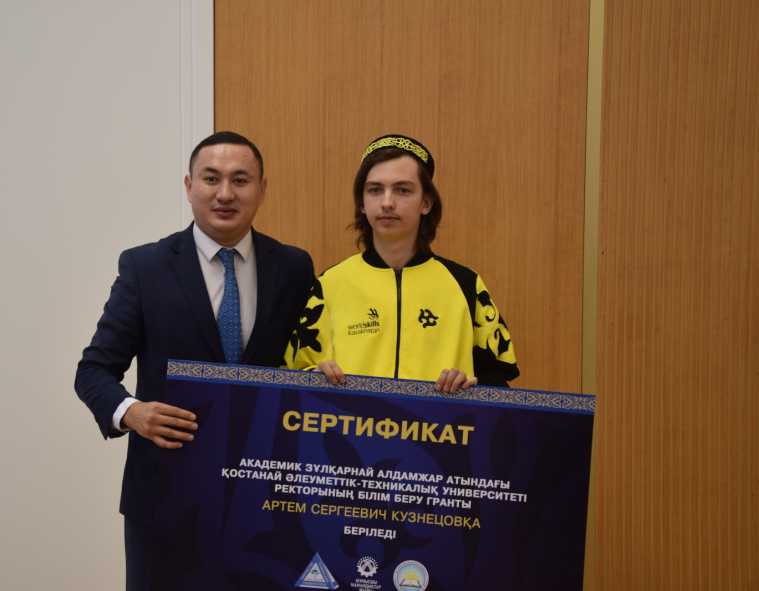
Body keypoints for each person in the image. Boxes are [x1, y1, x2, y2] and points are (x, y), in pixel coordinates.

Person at [74, 131, 313, 589]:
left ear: (262, 189)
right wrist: (132, 412)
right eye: (211, 178)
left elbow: (306, 363)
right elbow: (93, 370)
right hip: (166, 497)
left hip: (266, 499)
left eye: (240, 180)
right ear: (189, 186)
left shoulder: (293, 267)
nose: (225, 193)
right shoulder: (145, 267)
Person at [285, 134, 518, 392]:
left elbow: (499, 387)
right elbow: (293, 376)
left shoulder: (466, 284)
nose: (387, 203)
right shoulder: (329, 285)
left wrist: (472, 387)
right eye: (375, 190)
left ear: (426, 202)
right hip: (349, 420)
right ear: (362, 203)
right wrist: (314, 378)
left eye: (403, 190)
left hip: (439, 420)